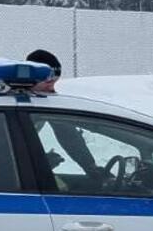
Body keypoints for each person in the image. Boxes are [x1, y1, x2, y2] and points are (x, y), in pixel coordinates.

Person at [25, 49, 101, 180]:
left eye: (55, 82)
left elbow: (68, 135)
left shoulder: (37, 102)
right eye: (48, 82)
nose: (52, 88)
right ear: (32, 77)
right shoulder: (15, 104)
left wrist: (90, 167)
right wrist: (36, 161)